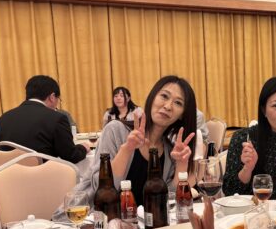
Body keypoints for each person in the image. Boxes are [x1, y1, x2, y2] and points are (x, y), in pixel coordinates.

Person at [77, 75, 203, 207]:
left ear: (182, 114)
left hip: (142, 219)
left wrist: (181, 164)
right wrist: (127, 149)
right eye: (164, 96)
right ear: (152, 97)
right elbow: (101, 189)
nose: (168, 106)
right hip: (97, 216)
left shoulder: (170, 151)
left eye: (178, 103)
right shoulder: (115, 130)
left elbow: (168, 200)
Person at [0, 75, 89, 163]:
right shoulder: (56, 118)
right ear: (52, 97)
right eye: (58, 99)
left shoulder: (3, 119)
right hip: (44, 173)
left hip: (10, 173)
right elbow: (71, 156)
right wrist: (83, 148)